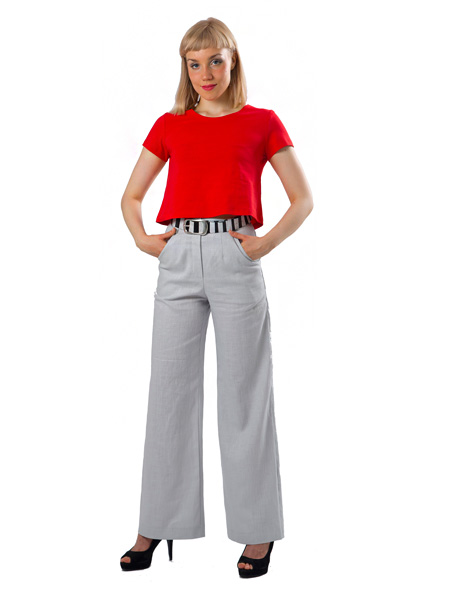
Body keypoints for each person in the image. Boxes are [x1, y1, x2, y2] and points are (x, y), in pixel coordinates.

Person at [118, 17, 313, 578]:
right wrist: (145, 240)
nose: (205, 73)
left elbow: (302, 198)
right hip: (178, 255)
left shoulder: (262, 123)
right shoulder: (170, 125)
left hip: (235, 254)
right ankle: (157, 522)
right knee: (169, 392)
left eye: (215, 61)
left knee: (245, 396)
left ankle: (258, 531)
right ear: (185, 68)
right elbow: (131, 196)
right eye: (194, 63)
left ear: (233, 60)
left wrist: (261, 246)